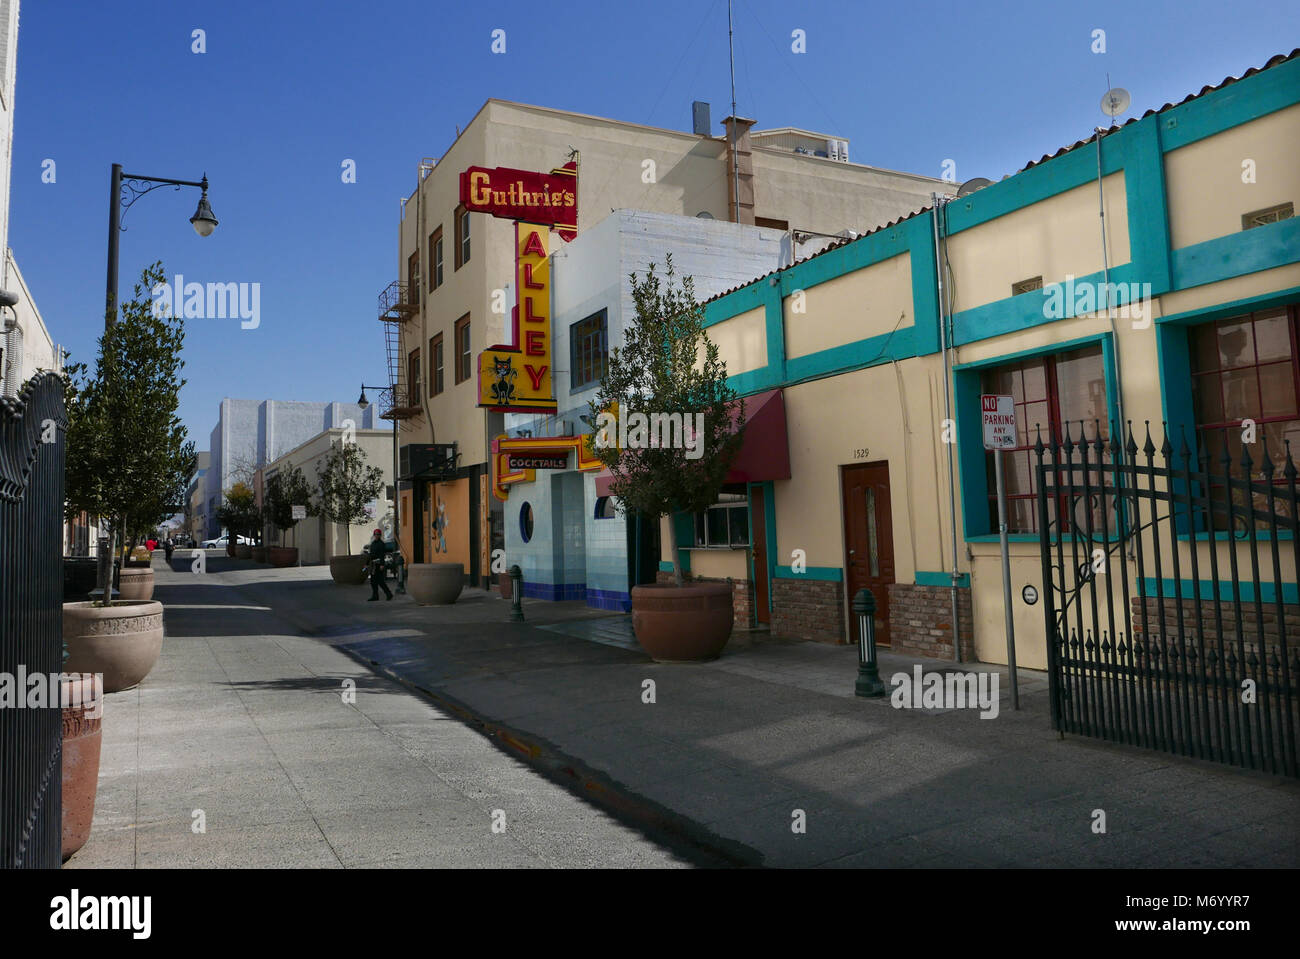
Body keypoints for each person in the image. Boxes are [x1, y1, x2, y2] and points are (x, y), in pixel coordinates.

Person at [366, 528, 393, 601]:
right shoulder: (373, 543)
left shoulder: (381, 544)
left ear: (380, 535)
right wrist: (367, 563)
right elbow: (371, 555)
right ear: (374, 535)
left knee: (380, 581)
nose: (376, 535)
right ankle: (375, 596)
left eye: (378, 534)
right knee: (373, 581)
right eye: (375, 534)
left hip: (378, 564)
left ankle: (388, 594)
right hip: (373, 564)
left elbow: (382, 555)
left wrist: (382, 564)